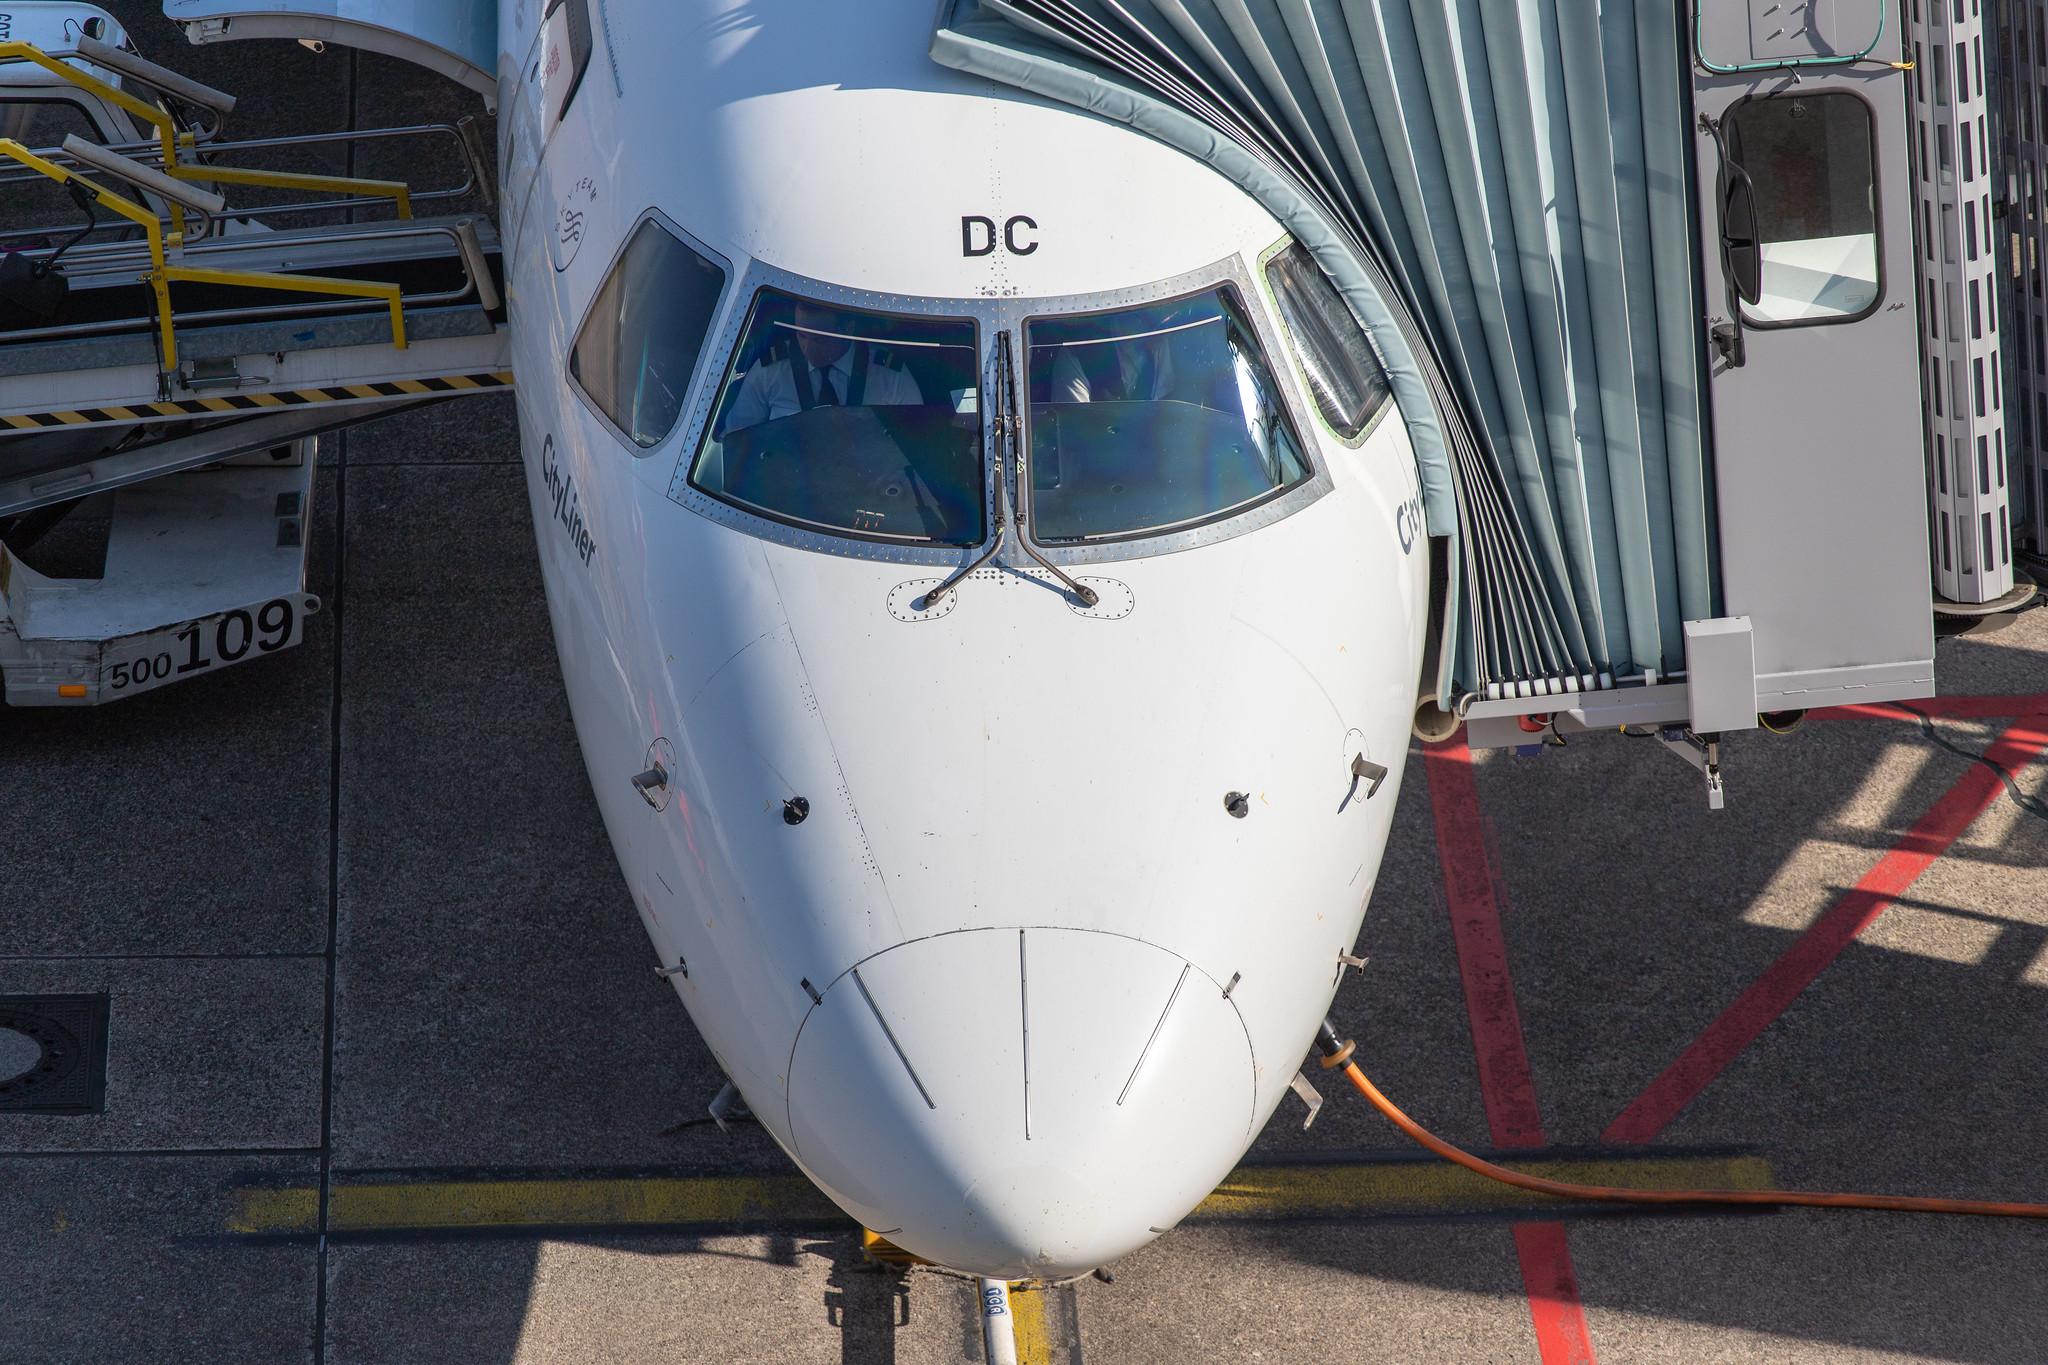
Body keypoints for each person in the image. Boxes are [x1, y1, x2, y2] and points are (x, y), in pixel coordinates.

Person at [723, 300, 922, 430]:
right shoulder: (769, 371)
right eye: (801, 336)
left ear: (848, 330)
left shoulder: (891, 377)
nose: (808, 349)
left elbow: (915, 440)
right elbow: (736, 438)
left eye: (820, 340)